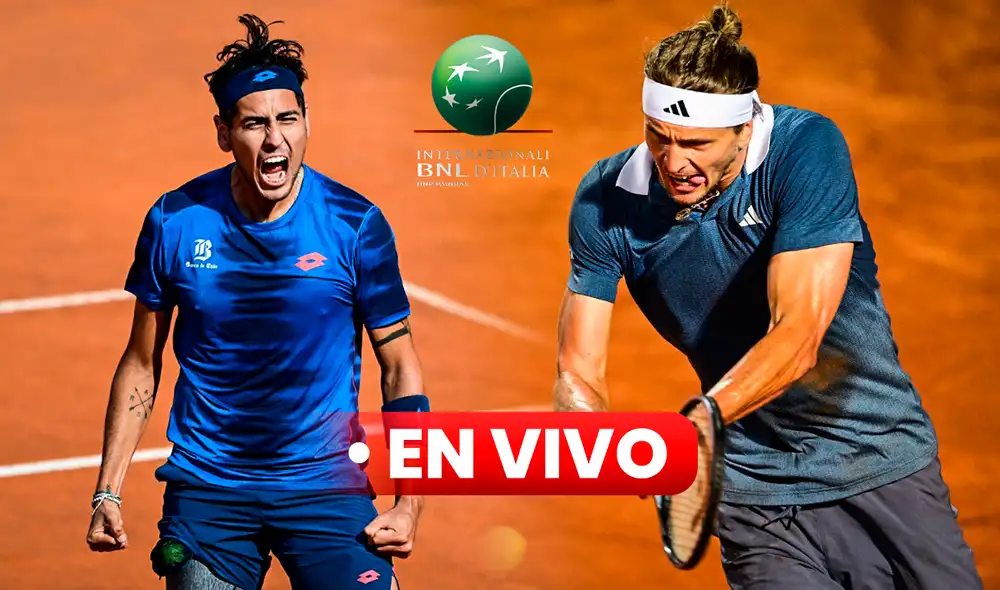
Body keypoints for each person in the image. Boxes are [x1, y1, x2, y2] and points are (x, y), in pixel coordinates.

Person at [553, 4, 983, 588]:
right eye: (659, 136)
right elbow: (579, 371)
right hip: (752, 496)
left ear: (744, 128)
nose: (674, 162)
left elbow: (798, 335)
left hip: (877, 463)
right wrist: (606, 449)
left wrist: (703, 420)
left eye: (697, 144)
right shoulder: (606, 201)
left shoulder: (804, 149)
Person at [85, 14, 427, 590]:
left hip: (326, 484)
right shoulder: (174, 220)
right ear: (224, 132)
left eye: (288, 119)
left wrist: (409, 502)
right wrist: (108, 490)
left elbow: (400, 367)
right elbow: (141, 362)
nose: (275, 140)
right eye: (254, 124)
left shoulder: (355, 225)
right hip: (210, 490)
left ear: (307, 121)